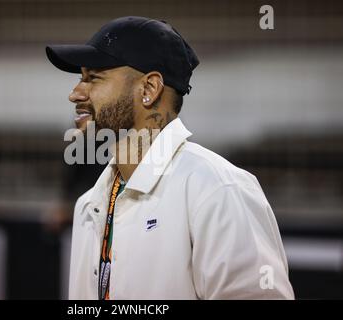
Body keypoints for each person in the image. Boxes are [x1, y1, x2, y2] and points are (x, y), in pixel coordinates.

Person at [46, 16, 294, 299]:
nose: (75, 93)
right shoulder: (87, 205)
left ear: (149, 89)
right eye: (80, 78)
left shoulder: (218, 190)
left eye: (94, 78)